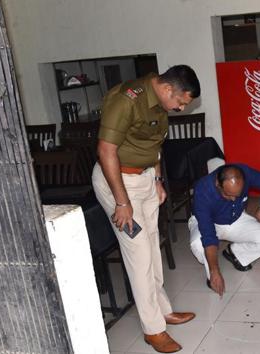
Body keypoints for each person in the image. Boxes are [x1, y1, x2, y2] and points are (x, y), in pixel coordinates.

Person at [92, 65, 200, 353]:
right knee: (138, 255)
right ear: (167, 90)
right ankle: (153, 330)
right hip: (119, 185)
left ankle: (162, 309)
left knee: (152, 247)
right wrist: (122, 202)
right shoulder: (127, 99)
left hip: (145, 181)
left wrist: (158, 179)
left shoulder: (159, 102)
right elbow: (106, 150)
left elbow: (153, 145)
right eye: (180, 102)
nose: (180, 108)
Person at [189, 164, 260, 296]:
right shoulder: (203, 190)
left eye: (237, 195)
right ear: (218, 184)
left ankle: (235, 253)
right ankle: (211, 271)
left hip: (235, 218)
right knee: (198, 244)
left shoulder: (244, 173)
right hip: (207, 222)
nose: (233, 199)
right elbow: (208, 233)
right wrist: (215, 271)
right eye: (229, 195)